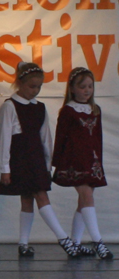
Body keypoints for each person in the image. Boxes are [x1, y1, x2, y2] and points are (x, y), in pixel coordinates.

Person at [0, 62, 78, 257]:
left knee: (31, 198)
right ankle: (62, 239)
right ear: (19, 83)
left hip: (36, 160)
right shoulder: (10, 106)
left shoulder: (39, 107)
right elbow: (4, 137)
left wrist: (48, 164)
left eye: (39, 87)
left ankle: (24, 243)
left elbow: (45, 138)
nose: (35, 91)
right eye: (31, 86)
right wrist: (5, 168)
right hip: (20, 160)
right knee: (36, 197)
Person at [52, 67, 113, 259]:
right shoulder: (68, 111)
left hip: (91, 161)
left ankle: (76, 243)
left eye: (90, 86)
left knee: (84, 200)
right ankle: (98, 242)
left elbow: (97, 139)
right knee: (86, 196)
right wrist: (55, 164)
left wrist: (98, 164)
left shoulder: (95, 110)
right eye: (82, 87)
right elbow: (60, 138)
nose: (87, 90)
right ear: (72, 89)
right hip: (74, 161)